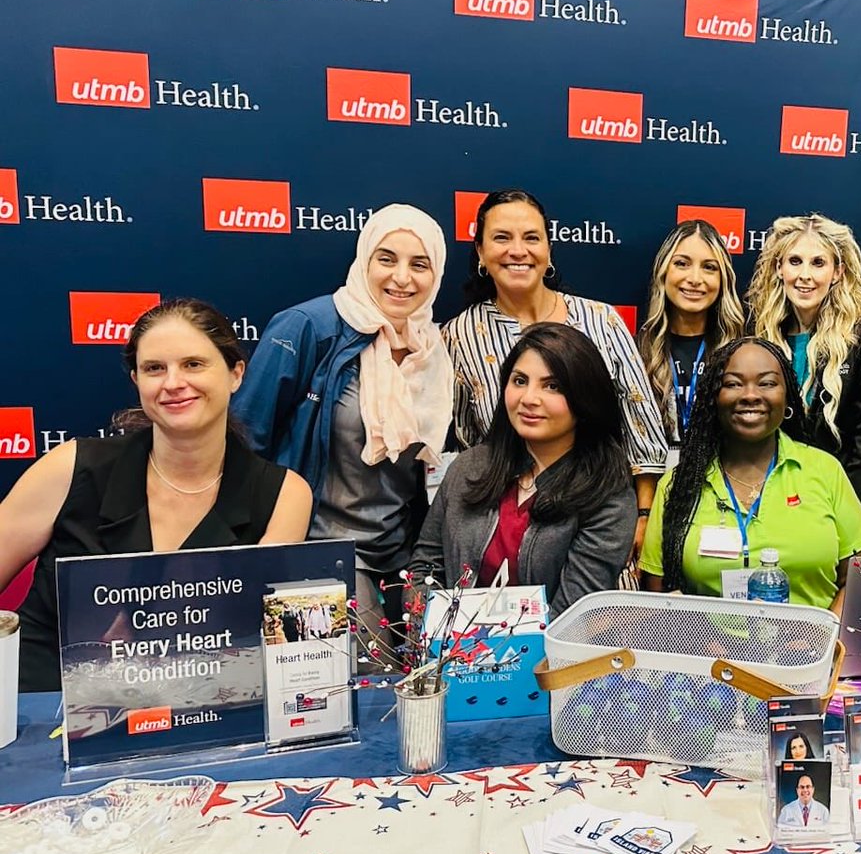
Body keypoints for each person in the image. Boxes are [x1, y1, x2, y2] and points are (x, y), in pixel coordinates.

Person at [0, 299, 312, 691]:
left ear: (236, 374)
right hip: (39, 708)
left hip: (194, 714)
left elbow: (263, 645)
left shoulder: (284, 494)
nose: (173, 383)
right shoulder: (69, 467)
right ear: (136, 381)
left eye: (194, 364)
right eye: (154, 369)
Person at [233, 204, 453, 629]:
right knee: (353, 682)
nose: (402, 278)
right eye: (386, 259)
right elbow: (245, 442)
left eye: (419, 264)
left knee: (424, 679)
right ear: (364, 258)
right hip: (316, 550)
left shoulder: (432, 349)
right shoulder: (307, 327)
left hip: (401, 556)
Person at [443, 190, 667, 552]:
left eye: (531, 237)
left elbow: (641, 431)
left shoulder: (601, 320)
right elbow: (469, 449)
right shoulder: (458, 336)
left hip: (604, 523)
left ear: (549, 251)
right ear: (481, 253)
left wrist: (643, 518)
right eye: (502, 238)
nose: (518, 250)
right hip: (508, 535)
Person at [410, 324, 638, 618]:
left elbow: (570, 615)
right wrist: (433, 644)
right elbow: (425, 568)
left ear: (585, 398)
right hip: (449, 655)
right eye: (519, 381)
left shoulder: (608, 493)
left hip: (545, 660)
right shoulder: (468, 467)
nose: (529, 398)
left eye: (552, 386)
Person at [639, 338, 861, 612]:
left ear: (787, 396)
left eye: (767, 383)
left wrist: (826, 640)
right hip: (709, 651)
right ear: (713, 398)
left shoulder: (825, 471)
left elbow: (858, 578)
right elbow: (656, 596)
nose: (750, 395)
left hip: (813, 649)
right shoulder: (678, 485)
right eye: (733, 383)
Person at [745, 214, 861, 524]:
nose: (805, 275)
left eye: (818, 263)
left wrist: (844, 525)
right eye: (795, 261)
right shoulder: (759, 337)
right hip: (766, 509)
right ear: (779, 268)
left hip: (835, 511)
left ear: (838, 272)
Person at [636, 220, 745, 445]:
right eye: (682, 263)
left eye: (709, 267)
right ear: (663, 271)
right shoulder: (637, 351)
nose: (695, 279)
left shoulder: (741, 351)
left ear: (723, 279)